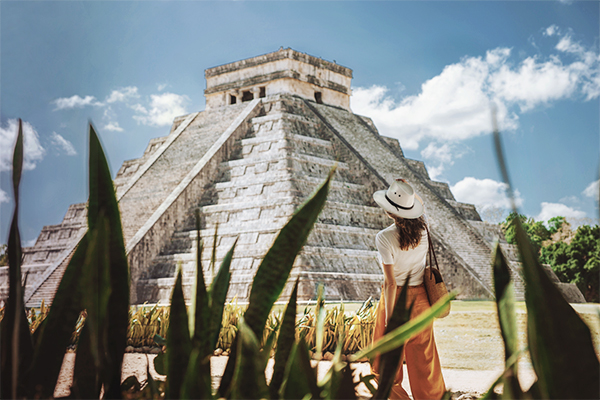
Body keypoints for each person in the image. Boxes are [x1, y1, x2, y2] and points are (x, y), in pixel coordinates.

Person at [370, 178, 446, 400]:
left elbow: (391, 283)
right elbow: (419, 206)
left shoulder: (384, 238)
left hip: (395, 301)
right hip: (421, 299)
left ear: (389, 210)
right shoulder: (424, 230)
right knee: (425, 363)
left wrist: (390, 320)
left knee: (383, 364)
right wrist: (408, 191)